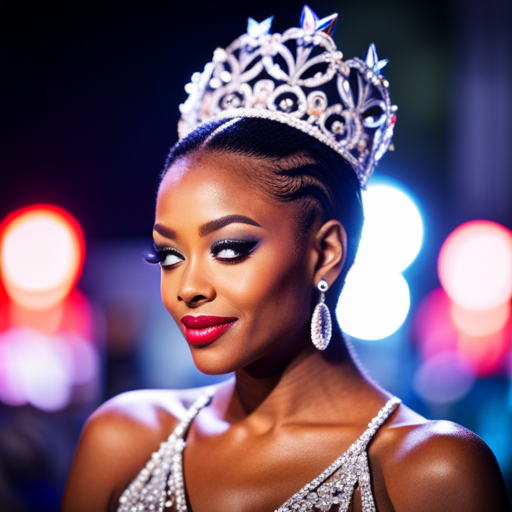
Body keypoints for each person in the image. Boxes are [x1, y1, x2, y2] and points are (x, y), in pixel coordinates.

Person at [62, 6, 511, 512]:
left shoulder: (429, 470)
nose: (187, 287)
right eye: (168, 254)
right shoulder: (123, 438)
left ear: (325, 253)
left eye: (229, 249)